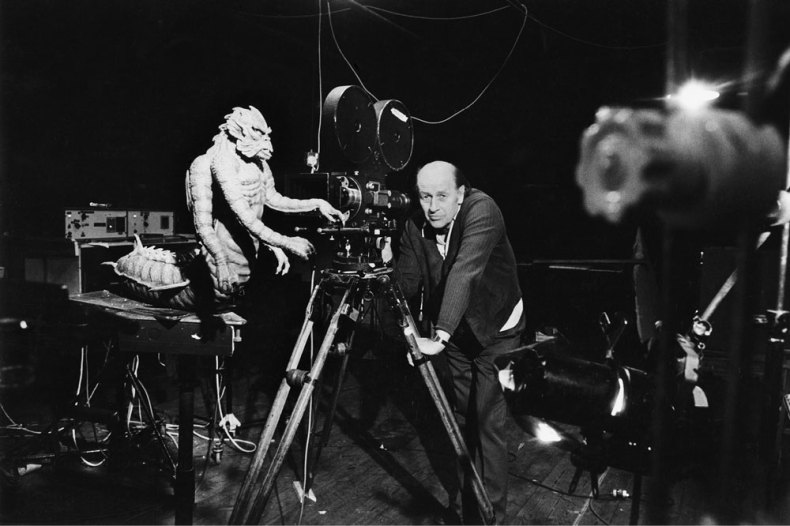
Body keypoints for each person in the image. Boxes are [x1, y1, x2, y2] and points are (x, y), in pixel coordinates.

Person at [394, 160, 525, 525]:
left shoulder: (483, 209)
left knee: (486, 425)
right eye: (424, 196)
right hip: (454, 339)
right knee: (464, 420)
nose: (432, 206)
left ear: (460, 194)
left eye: (441, 196)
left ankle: (490, 518)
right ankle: (468, 509)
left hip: (497, 331)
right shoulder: (414, 224)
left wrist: (439, 334)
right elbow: (405, 284)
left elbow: (465, 271)